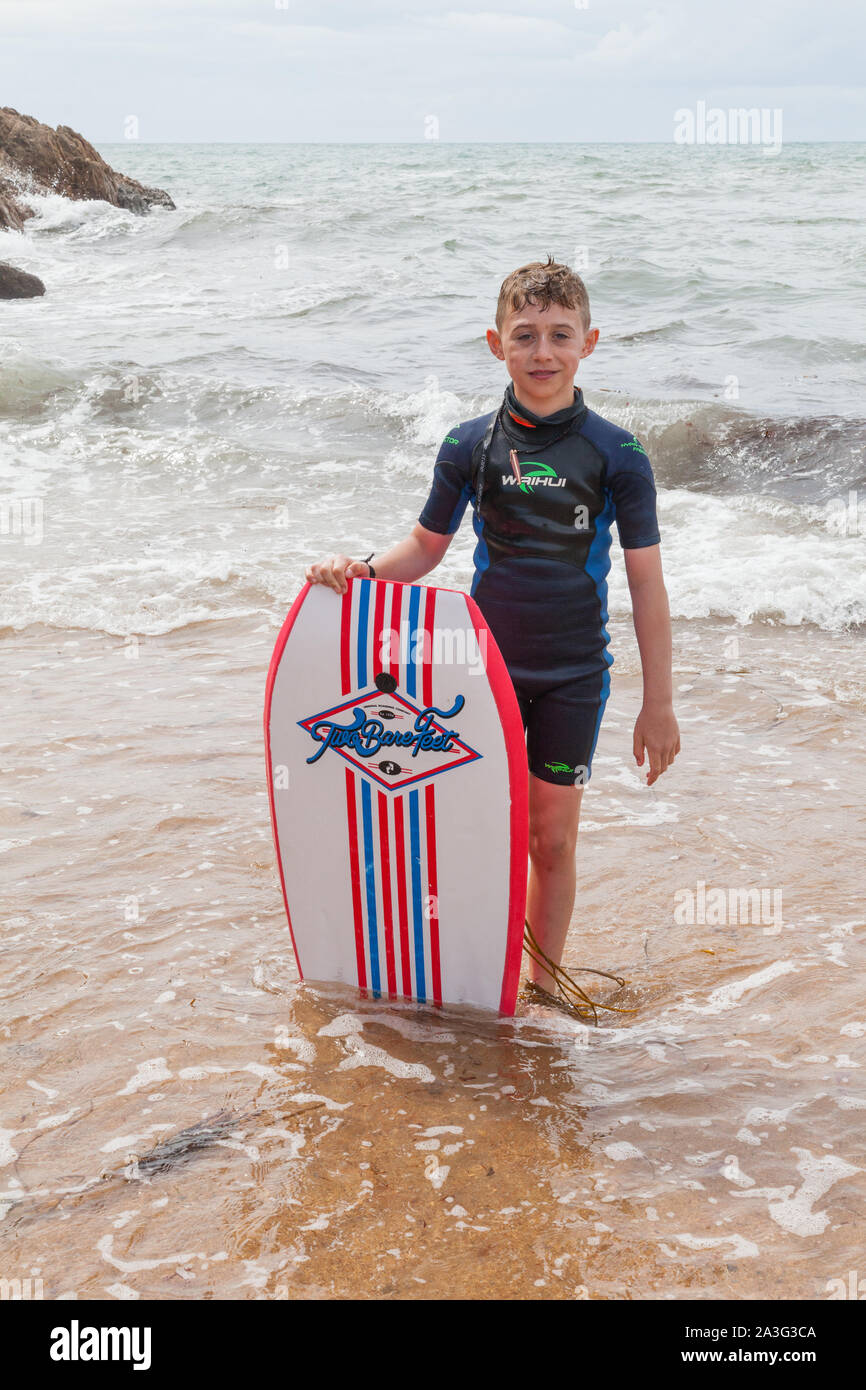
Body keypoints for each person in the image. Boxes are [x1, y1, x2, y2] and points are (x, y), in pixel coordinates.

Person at [305, 258, 680, 996]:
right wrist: (359, 570)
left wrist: (659, 702)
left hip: (575, 674)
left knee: (552, 837)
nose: (543, 353)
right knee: (477, 830)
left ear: (589, 342)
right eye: (525, 335)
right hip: (481, 673)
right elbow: (424, 549)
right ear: (495, 343)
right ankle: (476, 974)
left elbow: (645, 580)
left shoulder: (618, 454)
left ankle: (541, 987)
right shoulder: (468, 445)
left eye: (559, 335)